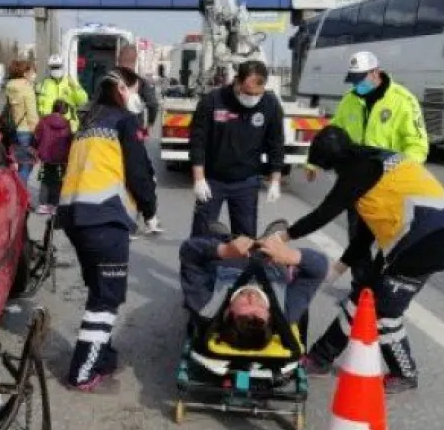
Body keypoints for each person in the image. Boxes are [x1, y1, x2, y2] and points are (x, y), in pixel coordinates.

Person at [282, 126, 444, 394]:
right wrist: (339, 268)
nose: (332, 173)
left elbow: (324, 213)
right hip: (421, 234)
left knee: (385, 313)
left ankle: (404, 373)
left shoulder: (358, 170)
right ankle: (320, 359)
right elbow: (366, 234)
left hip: (427, 239)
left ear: (334, 161)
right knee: (362, 298)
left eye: (329, 168)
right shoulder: (372, 161)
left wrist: (284, 235)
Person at [57, 66, 160, 392]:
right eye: (136, 90)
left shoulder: (88, 122)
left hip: (76, 218)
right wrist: (151, 211)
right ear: (121, 89)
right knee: (107, 297)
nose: (139, 99)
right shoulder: (123, 122)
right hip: (104, 219)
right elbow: (139, 172)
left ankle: (101, 353)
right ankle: (83, 371)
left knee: (99, 290)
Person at [307, 51, 429, 242]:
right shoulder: (350, 100)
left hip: (388, 187)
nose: (357, 85)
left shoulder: (403, 101)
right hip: (356, 185)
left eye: (360, 78)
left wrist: (397, 172)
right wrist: (313, 162)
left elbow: (417, 146)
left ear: (375, 72)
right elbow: (332, 134)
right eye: (353, 80)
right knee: (356, 247)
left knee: (389, 245)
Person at [179, 224, 329, 350]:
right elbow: (319, 269)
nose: (252, 296)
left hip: (231, 254)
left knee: (212, 231)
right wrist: (292, 256)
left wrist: (223, 250)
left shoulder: (206, 304)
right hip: (271, 260)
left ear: (227, 312)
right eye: (259, 306)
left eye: (244, 303)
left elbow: (187, 254)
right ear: (271, 316)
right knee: (278, 240)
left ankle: (228, 236)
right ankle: (269, 238)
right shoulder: (285, 312)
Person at [188, 60, 285, 239]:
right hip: (212, 180)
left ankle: (240, 268)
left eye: (258, 93)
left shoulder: (270, 104)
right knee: (202, 236)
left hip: (246, 182)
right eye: (248, 93)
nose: (253, 98)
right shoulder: (213, 100)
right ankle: (194, 267)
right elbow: (197, 141)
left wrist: (275, 180)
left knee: (245, 239)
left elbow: (276, 144)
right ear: (237, 82)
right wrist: (199, 178)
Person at [32, 99, 73, 215]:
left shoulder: (44, 121)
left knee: (45, 180)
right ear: (64, 110)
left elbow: (37, 136)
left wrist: (38, 148)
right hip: (61, 156)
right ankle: (54, 205)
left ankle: (43, 205)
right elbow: (69, 140)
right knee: (58, 181)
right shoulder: (66, 123)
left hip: (45, 155)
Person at [3, 59, 40, 187]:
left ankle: (18, 191)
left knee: (20, 164)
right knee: (26, 166)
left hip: (14, 130)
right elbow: (31, 114)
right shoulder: (26, 88)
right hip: (26, 131)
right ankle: (21, 195)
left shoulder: (10, 87)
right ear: (25, 73)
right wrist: (37, 133)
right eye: (32, 71)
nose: (34, 74)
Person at [37, 54, 88, 132]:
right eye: (53, 67)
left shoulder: (70, 82)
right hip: (48, 128)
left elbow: (83, 100)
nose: (55, 69)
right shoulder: (43, 84)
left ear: (62, 67)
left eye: (58, 66)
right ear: (49, 68)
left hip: (68, 127)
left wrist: (75, 88)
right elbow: (38, 107)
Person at [117, 44, 159, 132]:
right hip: (133, 130)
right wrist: (150, 123)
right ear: (135, 61)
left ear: (118, 59)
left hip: (111, 131)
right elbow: (153, 104)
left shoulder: (107, 80)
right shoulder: (140, 82)